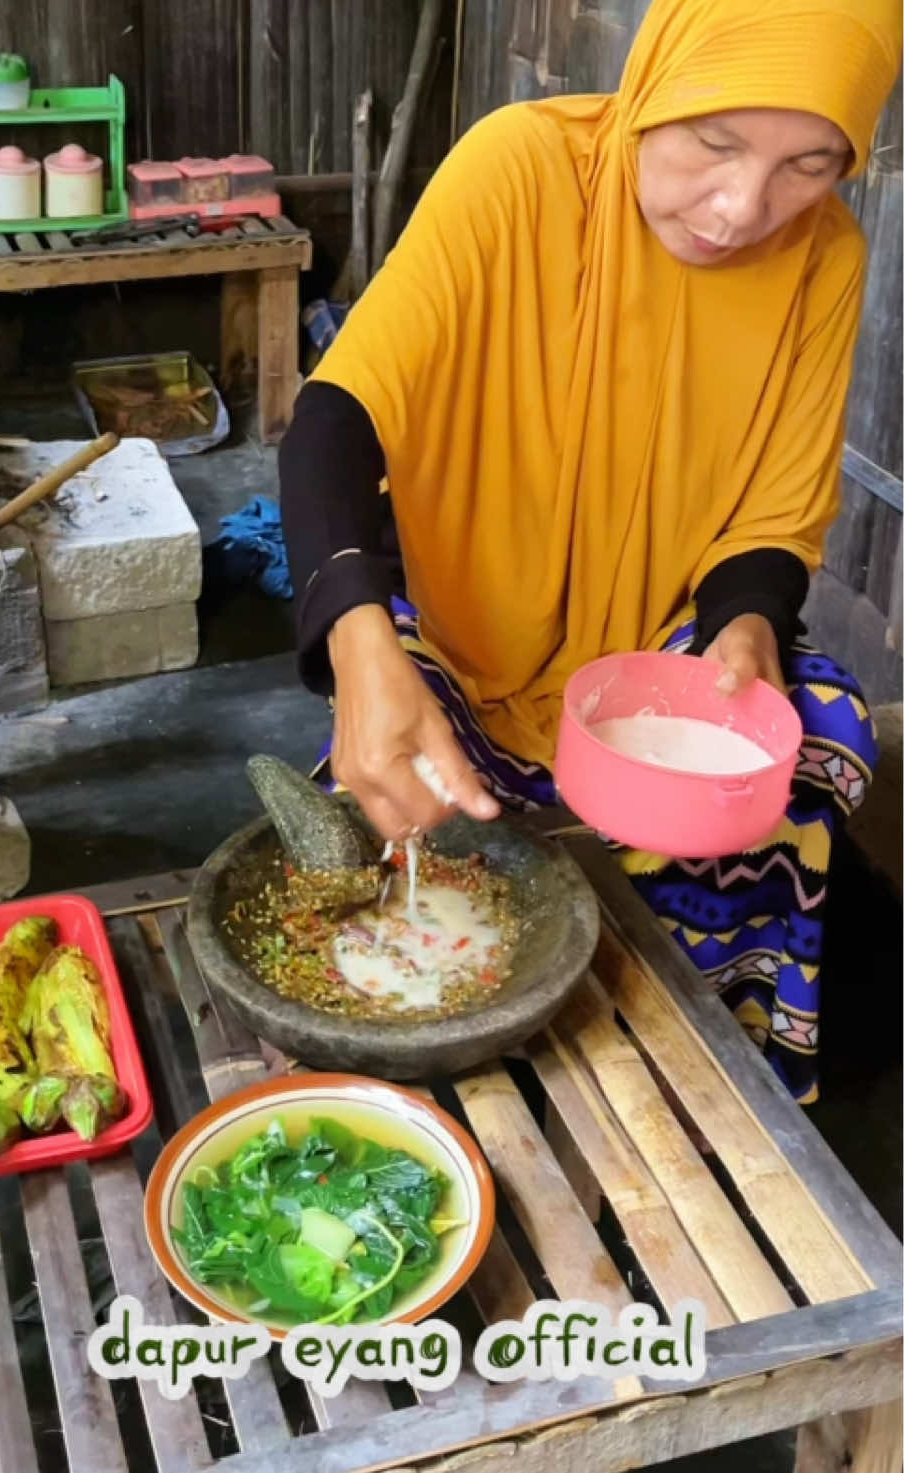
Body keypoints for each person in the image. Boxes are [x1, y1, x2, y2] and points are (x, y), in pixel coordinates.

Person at [278, 0, 902, 1104]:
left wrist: (742, 631)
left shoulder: (826, 258)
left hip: (656, 637)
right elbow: (340, 412)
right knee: (403, 804)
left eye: (810, 164)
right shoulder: (521, 170)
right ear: (656, 81)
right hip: (467, 623)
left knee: (823, 740)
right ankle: (471, 1072)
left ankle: (705, 1061)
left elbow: (771, 515)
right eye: (714, 141)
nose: (743, 207)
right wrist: (361, 645)